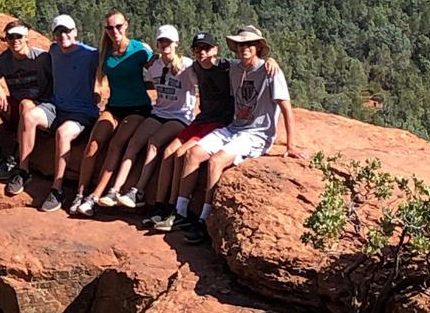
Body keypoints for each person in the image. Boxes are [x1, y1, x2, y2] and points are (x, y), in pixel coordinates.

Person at [177, 25, 303, 245]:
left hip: (257, 134)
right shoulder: (234, 68)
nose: (245, 48)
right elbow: (208, 61)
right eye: (241, 44)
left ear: (258, 47)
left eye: (250, 44)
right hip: (234, 128)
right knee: (193, 154)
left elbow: (286, 108)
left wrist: (290, 146)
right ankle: (180, 212)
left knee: (216, 161)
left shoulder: (270, 71)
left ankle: (205, 220)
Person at [148, 31, 278, 232]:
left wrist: (271, 60)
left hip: (221, 122)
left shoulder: (227, 67)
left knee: (183, 153)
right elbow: (174, 62)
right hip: (204, 120)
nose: (202, 52)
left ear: (215, 50)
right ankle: (164, 206)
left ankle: (179, 210)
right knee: (169, 152)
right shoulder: (195, 66)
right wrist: (155, 58)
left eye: (206, 48)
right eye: (197, 49)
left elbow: (253, 64)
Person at [13, 13, 99, 212]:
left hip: (81, 112)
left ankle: (57, 189)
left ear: (75, 32)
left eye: (67, 31)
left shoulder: (90, 54)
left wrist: (148, 55)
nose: (63, 36)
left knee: (62, 133)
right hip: (56, 107)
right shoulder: (53, 50)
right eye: (59, 32)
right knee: (29, 116)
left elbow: (115, 58)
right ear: (54, 35)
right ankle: (23, 170)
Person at [107, 25, 196, 210]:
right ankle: (114, 190)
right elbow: (146, 80)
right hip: (159, 112)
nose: (165, 44)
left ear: (176, 43)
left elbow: (204, 79)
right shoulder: (155, 65)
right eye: (162, 41)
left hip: (181, 116)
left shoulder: (187, 65)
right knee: (134, 142)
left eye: (168, 41)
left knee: (154, 142)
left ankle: (138, 191)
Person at [73, 9, 152, 216]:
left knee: (116, 144)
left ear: (126, 25)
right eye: (109, 28)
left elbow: (159, 69)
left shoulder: (139, 49)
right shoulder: (104, 53)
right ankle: (80, 193)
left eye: (118, 26)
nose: (114, 31)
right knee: (93, 144)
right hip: (114, 106)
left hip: (138, 108)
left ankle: (95, 197)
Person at [0, 20, 52, 179]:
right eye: (10, 37)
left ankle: (15, 158)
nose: (14, 40)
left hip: (38, 111)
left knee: (26, 104)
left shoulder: (42, 58)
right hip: (16, 109)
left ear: (26, 37)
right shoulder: (5, 59)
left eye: (18, 36)